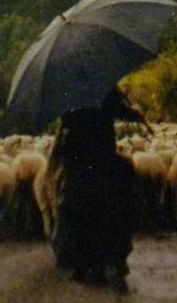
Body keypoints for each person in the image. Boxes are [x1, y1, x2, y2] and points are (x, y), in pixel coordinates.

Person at [49, 88, 139, 292]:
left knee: (75, 211)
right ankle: (116, 260)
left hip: (82, 171)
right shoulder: (106, 94)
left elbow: (65, 148)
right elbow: (118, 118)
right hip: (105, 163)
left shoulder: (69, 106)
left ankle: (82, 264)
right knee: (119, 207)